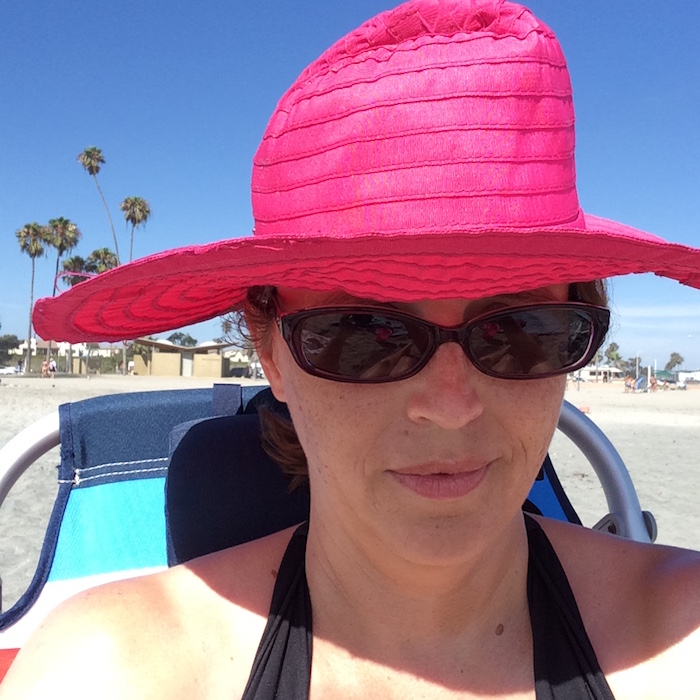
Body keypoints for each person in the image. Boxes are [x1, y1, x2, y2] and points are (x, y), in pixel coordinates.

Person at [4, 1, 700, 698]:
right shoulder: (110, 671)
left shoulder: (681, 636)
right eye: (365, 336)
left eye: (522, 333)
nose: (450, 407)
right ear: (269, 349)